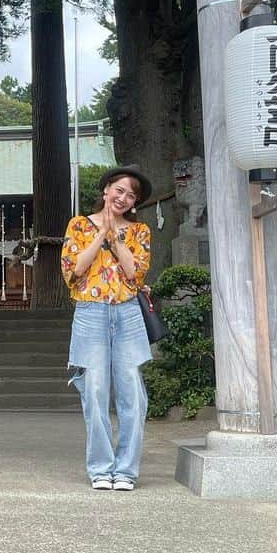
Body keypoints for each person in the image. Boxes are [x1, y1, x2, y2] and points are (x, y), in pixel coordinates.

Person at [61, 167, 153, 491]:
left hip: (127, 313)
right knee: (95, 390)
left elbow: (135, 274)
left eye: (131, 195)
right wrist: (101, 234)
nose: (124, 198)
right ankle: (101, 467)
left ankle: (126, 470)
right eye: (120, 190)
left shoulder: (140, 231)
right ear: (106, 190)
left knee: (133, 394)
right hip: (90, 313)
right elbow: (73, 271)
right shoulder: (79, 225)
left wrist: (116, 237)